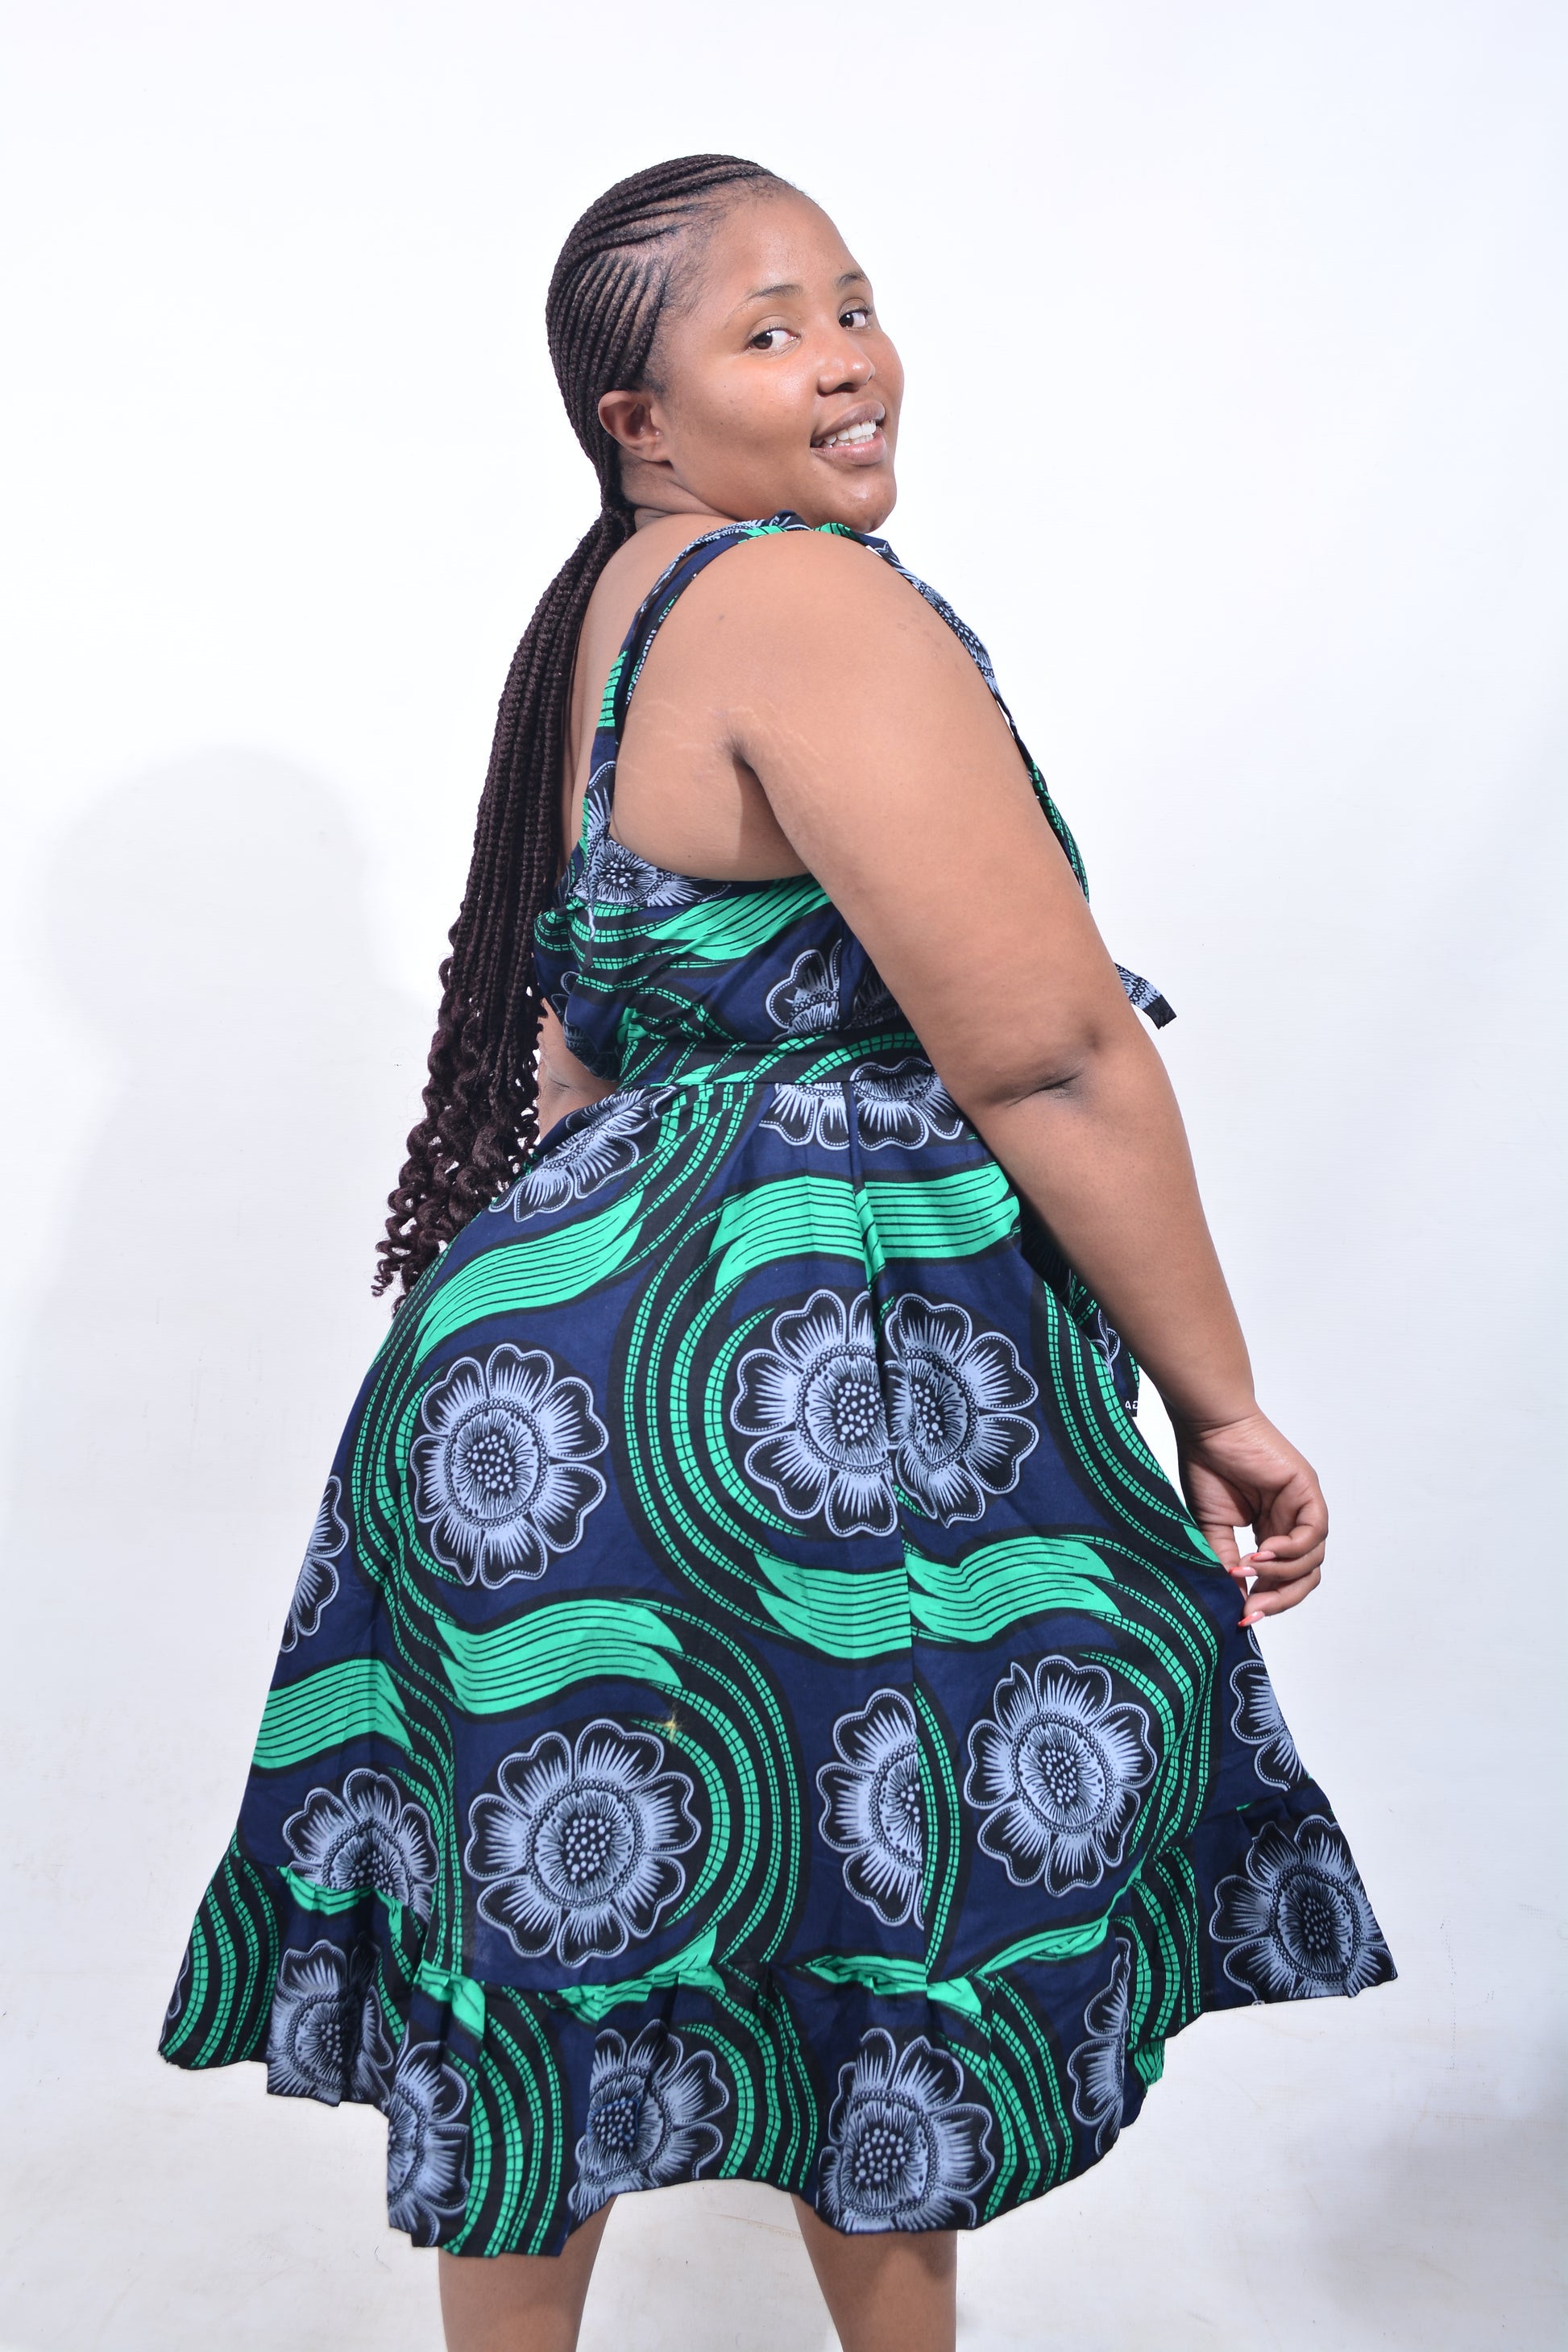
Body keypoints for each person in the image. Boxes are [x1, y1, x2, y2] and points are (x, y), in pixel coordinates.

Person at [159, 154, 1394, 2352]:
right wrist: (1217, 1402)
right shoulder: (802, 601)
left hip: (536, 1428)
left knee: (543, 2001)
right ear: (635, 417)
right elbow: (1047, 1053)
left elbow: (575, 1063)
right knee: (887, 1954)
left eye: (851, 303)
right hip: (780, 1420)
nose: (842, 358)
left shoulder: (621, 612)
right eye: (765, 329)